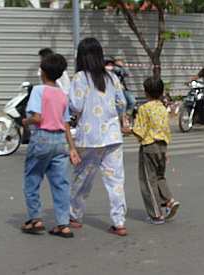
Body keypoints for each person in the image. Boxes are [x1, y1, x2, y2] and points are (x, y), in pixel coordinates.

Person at [69, 37, 128, 236]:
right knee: (116, 182)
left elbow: (75, 106)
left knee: (82, 178)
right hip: (113, 136)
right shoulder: (112, 77)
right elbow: (122, 103)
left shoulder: (79, 78)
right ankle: (119, 222)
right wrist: (118, 118)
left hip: (89, 137)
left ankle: (75, 216)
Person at [21, 53, 81, 238]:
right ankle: (63, 224)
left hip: (42, 138)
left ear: (43, 72)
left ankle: (35, 219)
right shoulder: (62, 95)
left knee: (32, 178)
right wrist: (72, 148)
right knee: (60, 183)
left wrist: (26, 121)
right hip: (59, 142)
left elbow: (37, 117)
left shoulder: (39, 90)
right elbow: (66, 124)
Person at [132, 76, 180, 225]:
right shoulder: (162, 108)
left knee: (148, 180)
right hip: (162, 146)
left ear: (146, 92)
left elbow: (139, 130)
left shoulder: (144, 108)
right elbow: (166, 130)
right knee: (160, 176)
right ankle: (169, 200)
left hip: (149, 146)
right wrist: (165, 152)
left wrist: (127, 130)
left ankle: (156, 214)